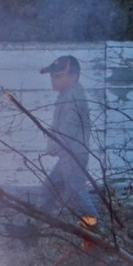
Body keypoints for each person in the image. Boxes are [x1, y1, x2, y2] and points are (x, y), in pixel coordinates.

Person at [38, 54, 96, 221]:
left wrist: (52, 147)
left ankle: (99, 234)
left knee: (77, 196)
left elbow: (66, 131)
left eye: (58, 76)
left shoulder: (74, 98)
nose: (53, 80)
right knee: (50, 188)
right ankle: (35, 227)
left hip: (73, 155)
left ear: (74, 76)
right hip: (68, 154)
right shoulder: (66, 94)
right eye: (52, 76)